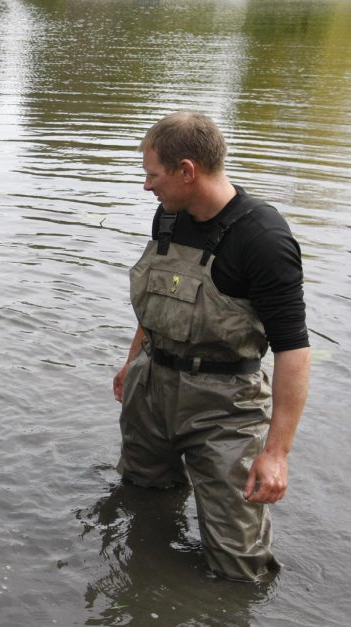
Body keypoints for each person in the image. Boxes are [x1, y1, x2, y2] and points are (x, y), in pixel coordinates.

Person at [112, 112, 311, 581]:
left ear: (187, 171)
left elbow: (293, 350)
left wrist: (276, 453)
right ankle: (146, 584)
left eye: (152, 175)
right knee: (142, 498)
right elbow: (158, 300)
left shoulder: (263, 238)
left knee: (238, 563)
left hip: (223, 408)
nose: (146, 186)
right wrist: (131, 362)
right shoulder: (168, 214)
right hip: (149, 387)